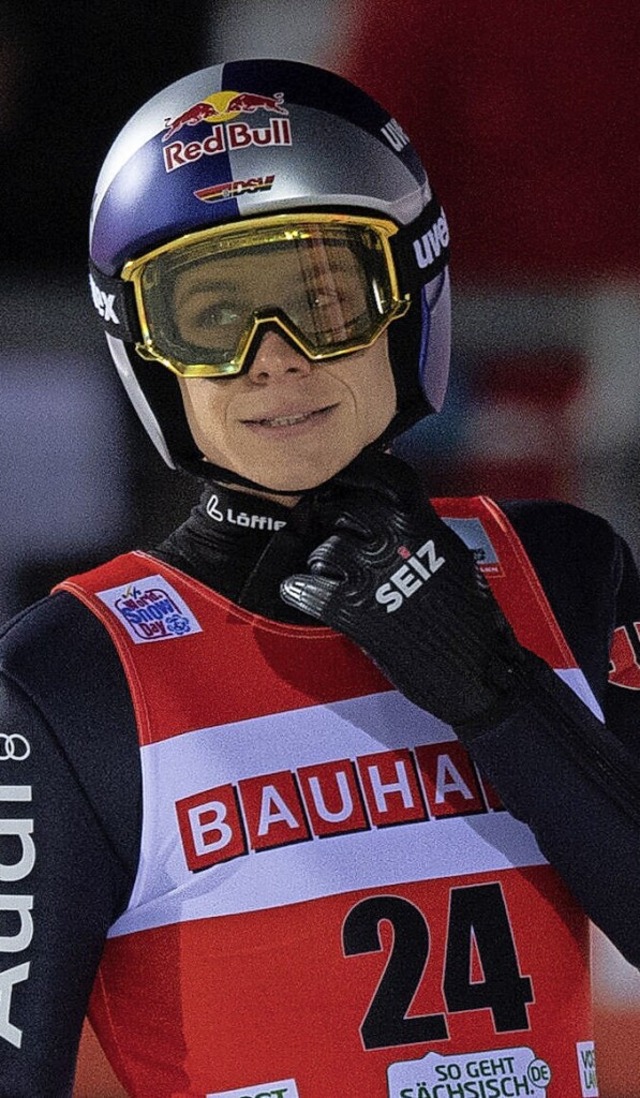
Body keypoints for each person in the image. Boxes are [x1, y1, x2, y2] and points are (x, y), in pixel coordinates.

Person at [1, 57, 639, 1098]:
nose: (273, 358)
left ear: (409, 295)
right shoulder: (70, 680)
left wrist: (496, 692)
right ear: (145, 347)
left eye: (323, 298)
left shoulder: (560, 572)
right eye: (210, 316)